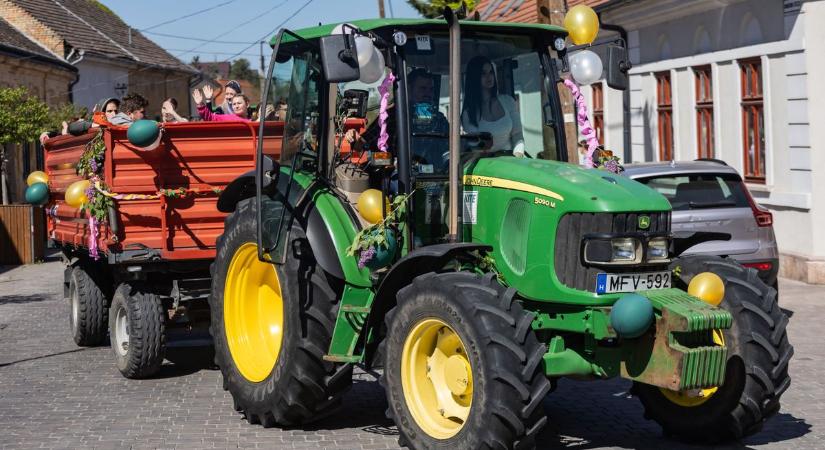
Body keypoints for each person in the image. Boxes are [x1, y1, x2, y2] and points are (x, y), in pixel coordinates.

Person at [461, 55, 525, 157]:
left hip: (511, 160)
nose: (489, 76)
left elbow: (517, 135)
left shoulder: (508, 101)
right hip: (485, 166)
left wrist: (518, 155)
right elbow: (474, 147)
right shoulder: (469, 113)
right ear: (474, 77)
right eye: (483, 73)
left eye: (491, 72)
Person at [40, 98, 121, 144]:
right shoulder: (93, 123)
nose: (114, 114)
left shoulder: (123, 121)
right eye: (109, 111)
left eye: (116, 111)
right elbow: (72, 127)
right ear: (101, 112)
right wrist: (92, 125)